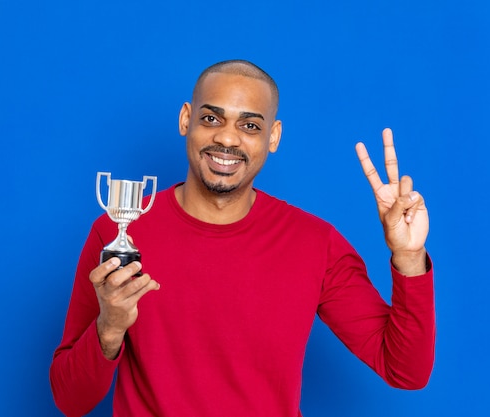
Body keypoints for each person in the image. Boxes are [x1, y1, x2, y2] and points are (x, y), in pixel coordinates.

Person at [50, 59, 435, 417]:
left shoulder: (316, 243)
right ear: (186, 119)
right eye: (211, 118)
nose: (228, 139)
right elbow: (71, 399)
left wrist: (410, 258)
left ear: (274, 136)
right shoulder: (120, 233)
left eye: (250, 125)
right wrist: (110, 327)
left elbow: (405, 370)